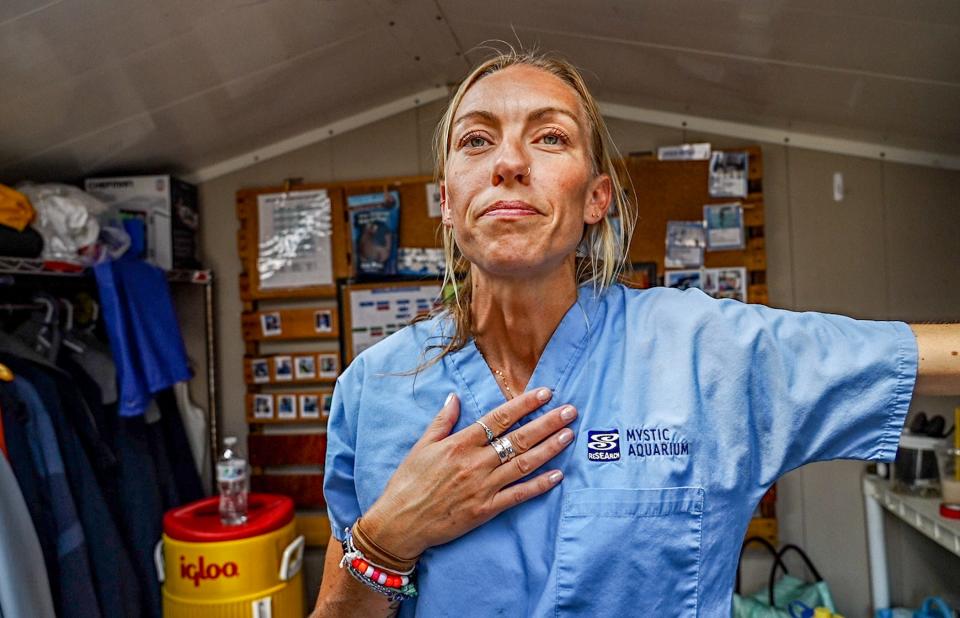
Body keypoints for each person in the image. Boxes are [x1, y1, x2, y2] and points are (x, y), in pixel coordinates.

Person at [311, 49, 959, 617]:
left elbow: (922, 357)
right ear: (448, 203)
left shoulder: (706, 352)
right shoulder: (375, 391)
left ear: (597, 198)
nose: (508, 161)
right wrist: (386, 539)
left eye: (550, 138)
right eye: (476, 141)